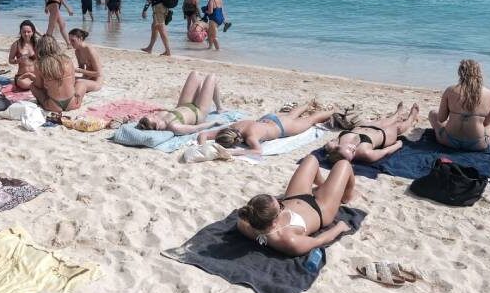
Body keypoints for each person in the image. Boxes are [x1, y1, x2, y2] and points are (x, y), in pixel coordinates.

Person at [235, 155, 354, 256]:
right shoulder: (290, 242)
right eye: (281, 207)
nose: (282, 205)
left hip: (294, 197)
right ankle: (346, 195)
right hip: (320, 209)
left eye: (280, 202)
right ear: (274, 223)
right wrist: (340, 227)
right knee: (343, 164)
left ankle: (324, 185)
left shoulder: (246, 221)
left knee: (311, 159)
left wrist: (283, 203)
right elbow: (319, 240)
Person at [200, 103, 335, 156]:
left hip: (283, 127)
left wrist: (234, 152)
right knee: (292, 114)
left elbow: (258, 151)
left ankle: (334, 111)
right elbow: (203, 135)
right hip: (269, 118)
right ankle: (309, 103)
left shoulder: (251, 138)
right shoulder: (233, 127)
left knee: (312, 119)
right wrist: (203, 147)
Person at [428, 59, 490, 151]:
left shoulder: (450, 90)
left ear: (460, 73)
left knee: (433, 113)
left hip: (448, 140)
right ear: (480, 73)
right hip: (477, 144)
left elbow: (441, 119)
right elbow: (486, 124)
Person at [323, 102, 419, 165]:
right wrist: (398, 145)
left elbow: (328, 145)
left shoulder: (334, 145)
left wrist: (329, 146)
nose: (353, 149)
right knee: (397, 126)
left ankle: (397, 114)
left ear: (337, 147)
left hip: (365, 127)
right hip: (383, 135)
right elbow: (385, 151)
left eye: (349, 149)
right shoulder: (365, 153)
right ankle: (412, 117)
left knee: (384, 121)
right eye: (353, 153)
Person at [135, 71, 223, 133]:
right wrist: (214, 123)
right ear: (157, 126)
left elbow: (148, 119)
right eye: (153, 117)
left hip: (183, 105)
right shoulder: (174, 127)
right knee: (211, 77)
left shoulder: (159, 117)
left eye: (152, 116)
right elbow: (196, 128)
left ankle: (200, 92)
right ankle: (220, 108)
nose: (154, 115)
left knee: (194, 74)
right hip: (199, 112)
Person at [32, 34, 95, 113]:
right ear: (55, 46)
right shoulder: (67, 60)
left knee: (33, 86)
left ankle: (46, 102)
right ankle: (77, 97)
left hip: (53, 105)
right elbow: (72, 81)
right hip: (72, 103)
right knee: (81, 84)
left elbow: (39, 86)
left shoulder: (39, 64)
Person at [8, 20, 40, 91]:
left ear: (33, 32)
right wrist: (18, 60)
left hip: (35, 75)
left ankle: (36, 85)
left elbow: (42, 58)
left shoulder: (36, 44)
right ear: (20, 32)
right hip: (23, 76)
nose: (26, 34)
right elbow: (10, 60)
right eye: (24, 32)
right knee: (25, 84)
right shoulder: (16, 44)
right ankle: (36, 85)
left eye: (28, 32)